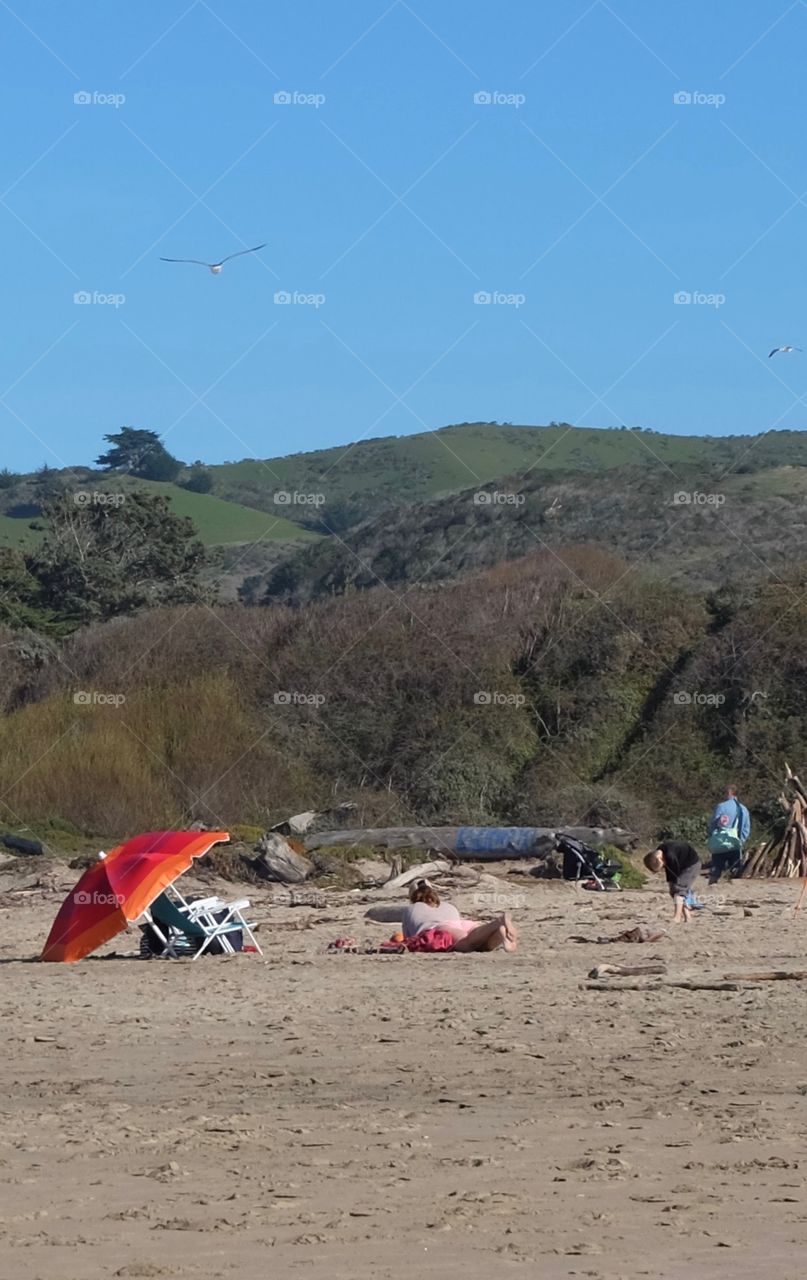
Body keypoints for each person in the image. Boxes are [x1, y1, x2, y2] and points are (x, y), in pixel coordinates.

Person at [400, 879, 518, 953]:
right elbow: (457, 922)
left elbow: (408, 938)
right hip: (462, 924)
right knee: (483, 946)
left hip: (439, 929)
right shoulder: (449, 905)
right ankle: (498, 932)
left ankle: (498, 922)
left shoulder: (411, 909)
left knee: (467, 943)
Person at [643, 840, 702, 924]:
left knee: (679, 890)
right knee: (674, 891)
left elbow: (676, 881)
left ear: (659, 860)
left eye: (662, 867)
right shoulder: (661, 851)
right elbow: (671, 874)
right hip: (681, 864)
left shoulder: (671, 856)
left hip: (691, 865)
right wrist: (672, 889)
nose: (663, 868)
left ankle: (677, 917)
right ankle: (687, 916)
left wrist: (676, 889)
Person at [708, 784, 751, 883]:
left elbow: (713, 824)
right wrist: (741, 840)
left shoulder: (721, 806)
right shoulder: (743, 809)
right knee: (735, 869)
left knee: (716, 869)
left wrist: (712, 836)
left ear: (729, 793)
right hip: (735, 844)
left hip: (720, 843)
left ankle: (713, 886)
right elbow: (746, 828)